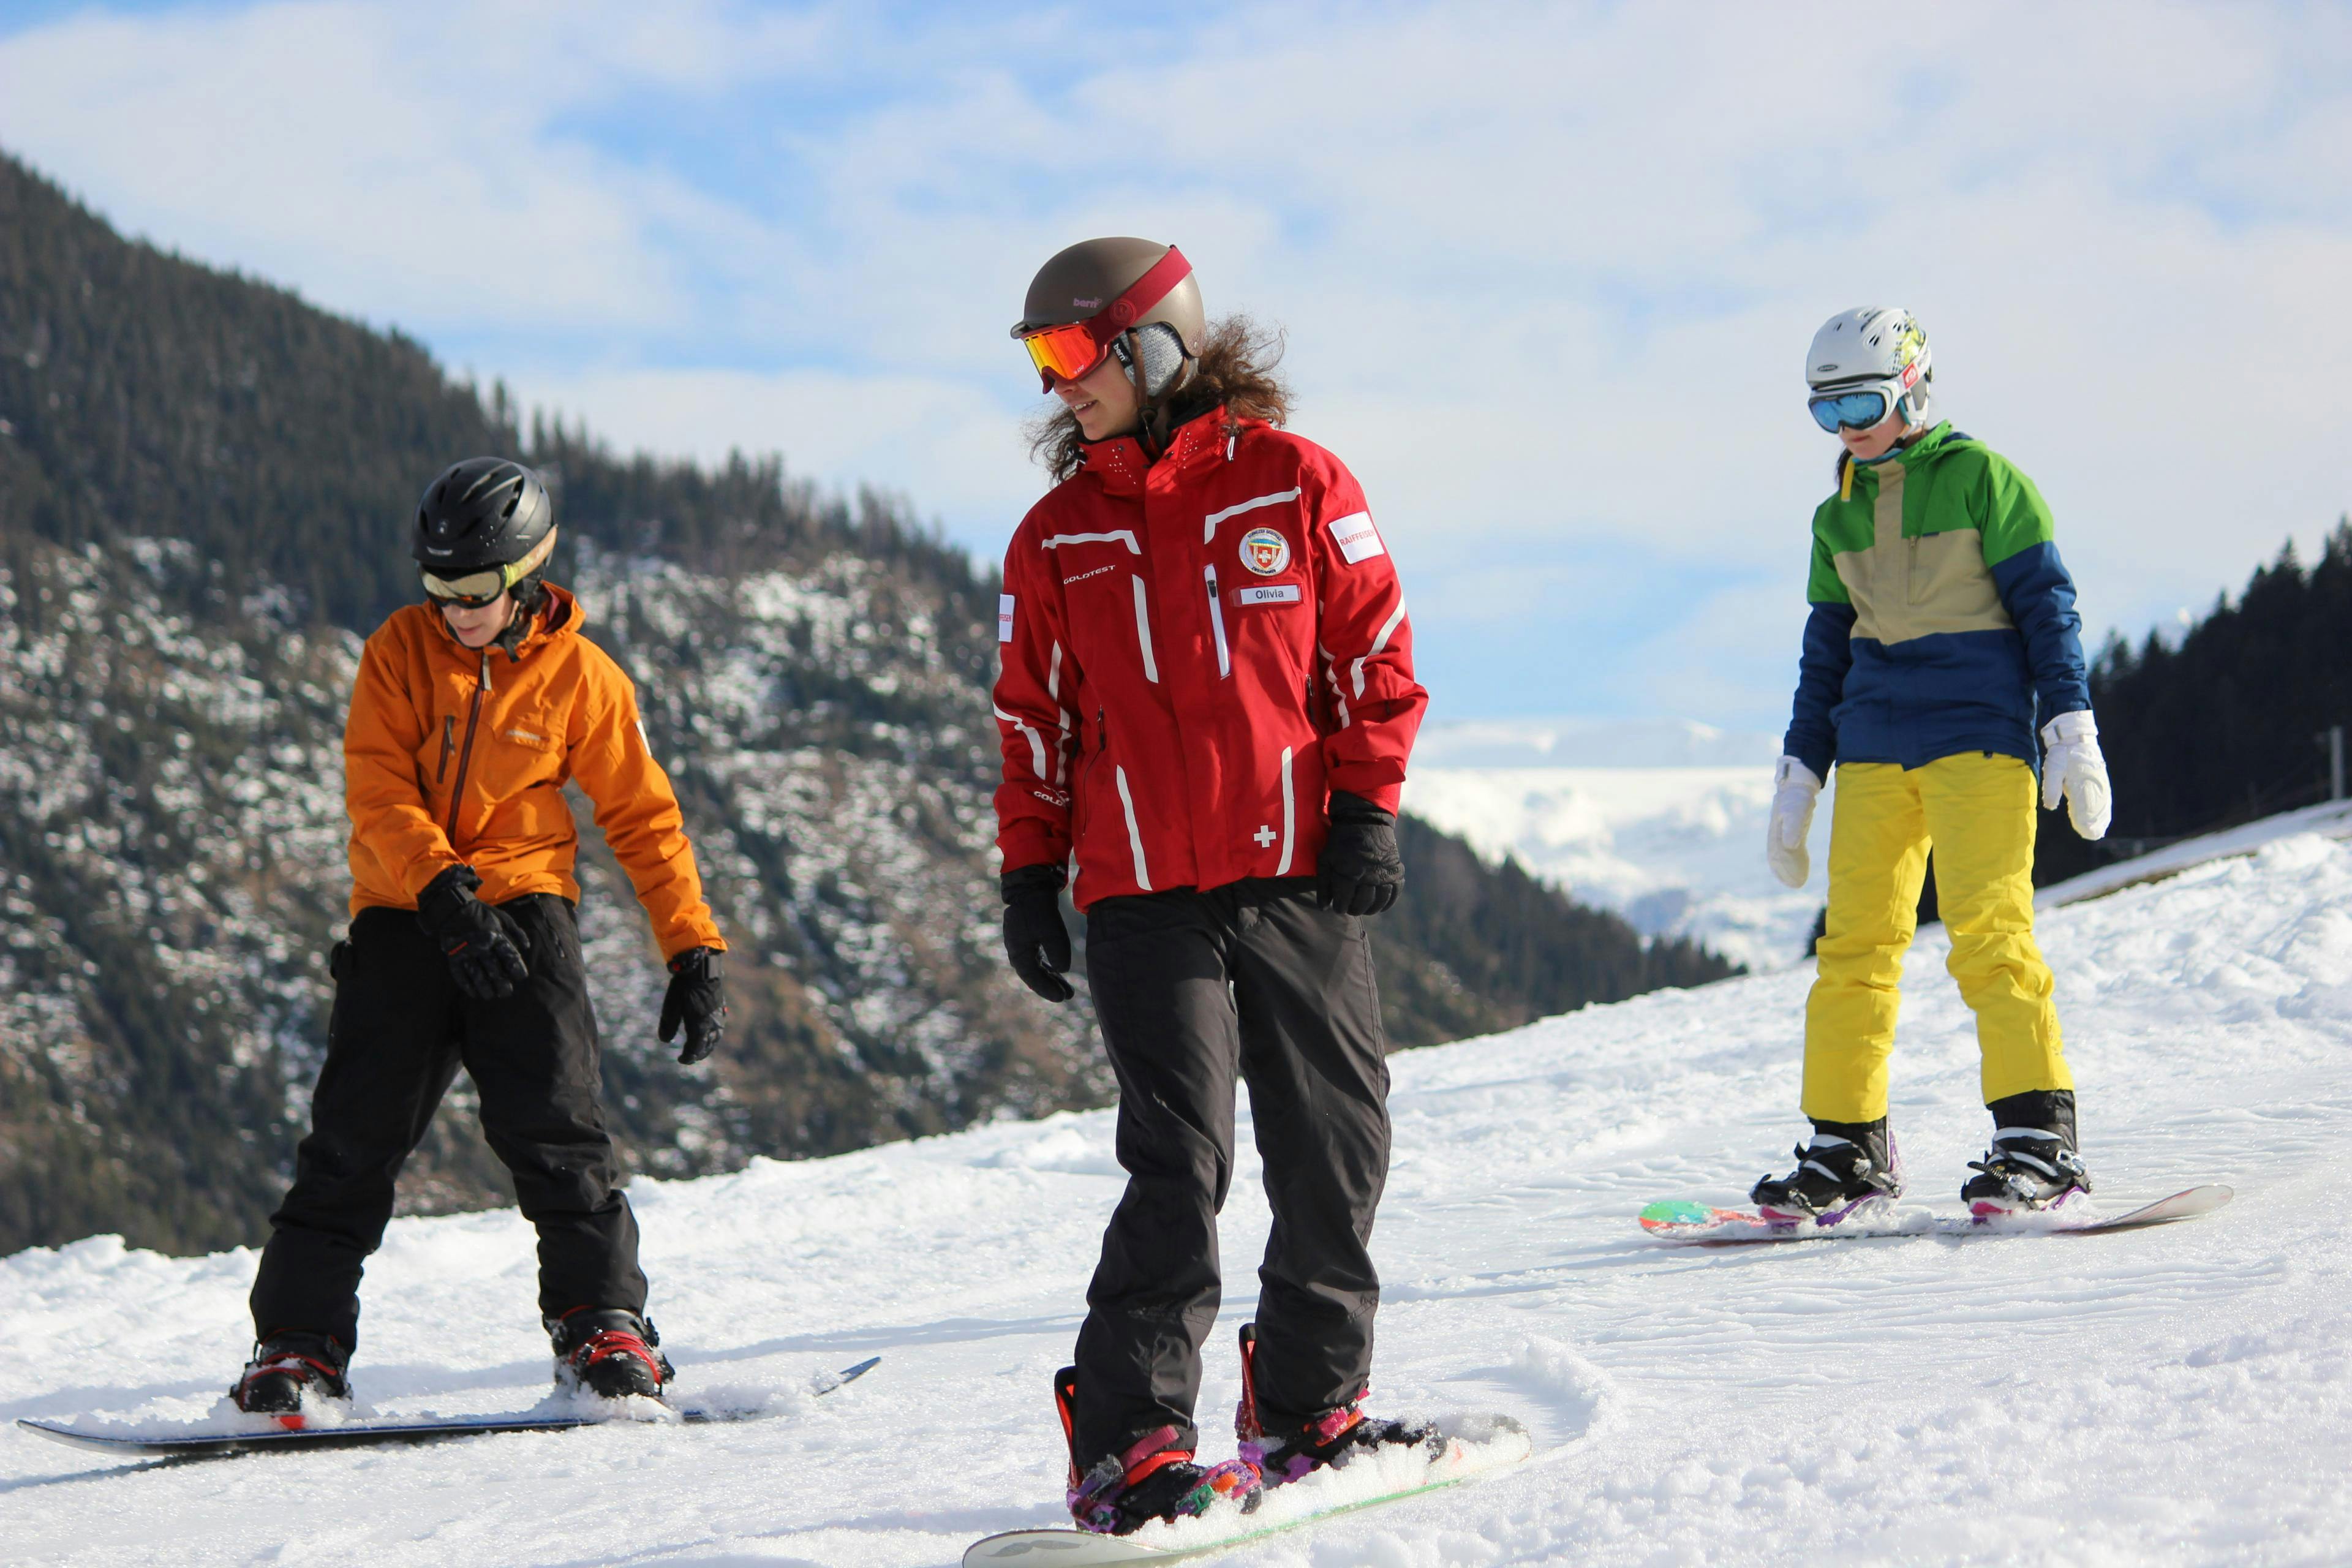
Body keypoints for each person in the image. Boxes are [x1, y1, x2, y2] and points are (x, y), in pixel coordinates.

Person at [992, 238, 1432, 1534]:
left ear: (1154, 345)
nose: (1056, 384)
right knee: (1181, 1156)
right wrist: (1030, 868)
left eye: (1070, 354)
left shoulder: (1294, 482)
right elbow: (1032, 717)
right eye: (1039, 360)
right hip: (1140, 887)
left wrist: (1367, 807)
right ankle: (1130, 1437)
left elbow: (1375, 648)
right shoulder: (1056, 535)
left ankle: (1308, 1404)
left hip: (1296, 866)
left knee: (1335, 1137)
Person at [233, 458, 729, 1415]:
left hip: (527, 915)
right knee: (349, 1145)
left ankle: (603, 1328)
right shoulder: (396, 652)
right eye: (438, 587)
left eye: (476, 590)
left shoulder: (582, 678)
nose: (456, 610)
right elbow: (376, 789)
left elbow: (644, 818)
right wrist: (441, 893)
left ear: (531, 568)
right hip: (404, 916)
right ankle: (295, 1347)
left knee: (561, 1135)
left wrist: (691, 948)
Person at [1757, 307, 2112, 1223]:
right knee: (1854, 951)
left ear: (1912, 384)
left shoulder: (1986, 481)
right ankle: (1848, 1144)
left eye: (1863, 402)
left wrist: (2070, 723)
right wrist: (1801, 774)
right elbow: (1824, 658)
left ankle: (2040, 1137)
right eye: (1825, 413)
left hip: (1978, 739)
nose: (1847, 429)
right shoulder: (1834, 515)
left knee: (1991, 932)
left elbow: (2048, 608)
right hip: (1874, 748)